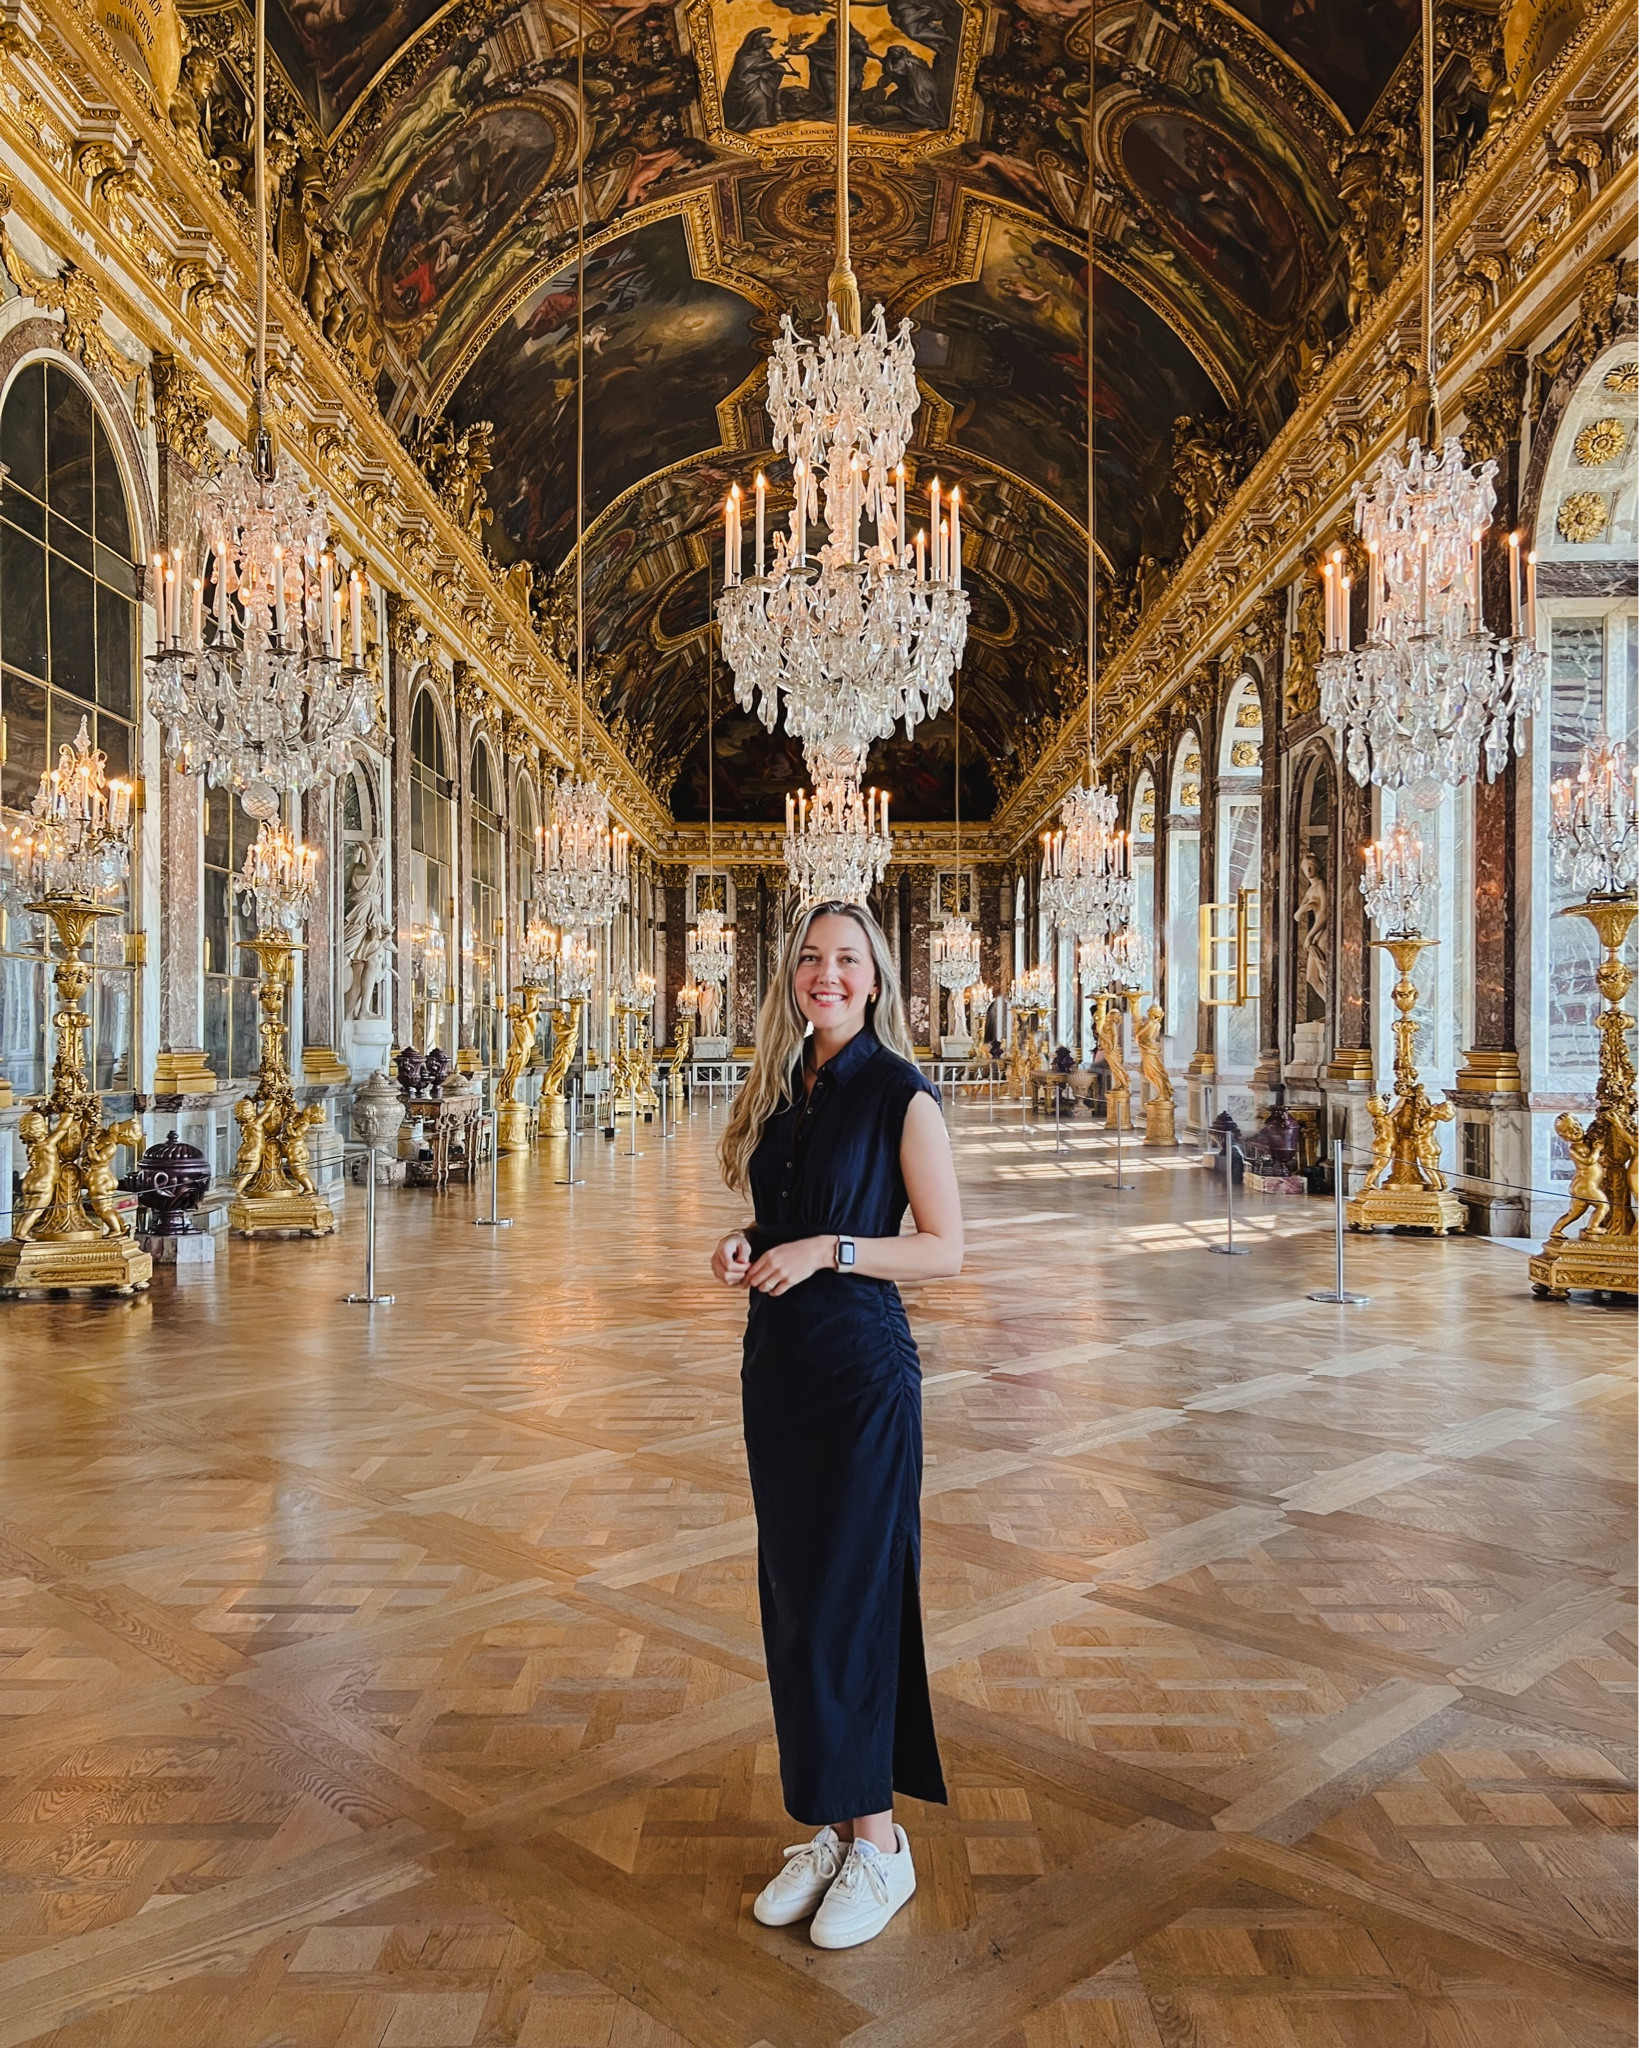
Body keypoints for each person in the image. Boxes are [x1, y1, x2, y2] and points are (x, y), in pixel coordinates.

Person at [711, 900, 963, 1950]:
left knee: (856, 1598)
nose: (826, 974)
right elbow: (776, 1219)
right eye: (811, 959)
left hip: (862, 1377)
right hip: (778, 1373)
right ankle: (829, 1819)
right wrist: (745, 1242)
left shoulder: (902, 1094)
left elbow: (945, 1248)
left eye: (846, 960)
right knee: (798, 1599)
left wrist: (831, 1249)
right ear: (793, 977)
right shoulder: (778, 1090)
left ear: (875, 978)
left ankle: (881, 1842)